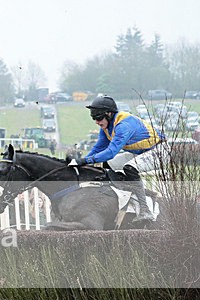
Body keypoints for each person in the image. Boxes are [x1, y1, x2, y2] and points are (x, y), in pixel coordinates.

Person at [69, 95, 164, 225]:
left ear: (108, 114)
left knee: (130, 168)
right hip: (139, 152)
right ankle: (123, 196)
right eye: (93, 118)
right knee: (105, 165)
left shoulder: (123, 125)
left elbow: (111, 152)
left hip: (159, 151)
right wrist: (83, 161)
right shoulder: (106, 127)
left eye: (98, 118)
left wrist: (85, 161)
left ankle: (145, 209)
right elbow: (98, 148)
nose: (96, 122)